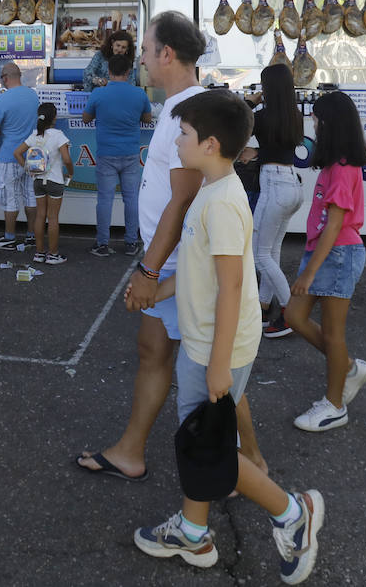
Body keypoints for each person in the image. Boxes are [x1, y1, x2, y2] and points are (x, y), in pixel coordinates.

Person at [132, 90, 324, 583]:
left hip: (216, 348)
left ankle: (291, 513)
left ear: (211, 144)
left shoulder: (221, 203)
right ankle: (194, 534)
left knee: (207, 446)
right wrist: (162, 290)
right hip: (206, 342)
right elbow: (206, 273)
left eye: (185, 134)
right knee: (202, 439)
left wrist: (218, 362)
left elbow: (234, 284)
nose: (176, 140)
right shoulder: (214, 192)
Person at [76, 12, 260, 482]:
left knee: (212, 373)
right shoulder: (182, 106)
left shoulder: (191, 113)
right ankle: (131, 450)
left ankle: (249, 467)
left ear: (166, 54)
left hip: (183, 264)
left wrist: (149, 270)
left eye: (145, 48)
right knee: (157, 352)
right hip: (177, 260)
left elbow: (181, 202)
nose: (139, 57)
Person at [282, 89, 366, 433]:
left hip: (337, 253)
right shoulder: (337, 165)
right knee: (294, 315)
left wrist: (309, 271)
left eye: (317, 119)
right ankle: (348, 367)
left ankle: (335, 405)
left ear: (329, 123)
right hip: (327, 251)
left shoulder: (344, 168)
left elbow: (335, 225)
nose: (314, 124)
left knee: (334, 335)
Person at [250, 64, 307, 339]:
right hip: (292, 182)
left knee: (259, 253)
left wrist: (250, 102)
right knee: (271, 251)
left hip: (273, 184)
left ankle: (290, 311)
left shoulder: (261, 116)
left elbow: (232, 120)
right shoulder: (296, 115)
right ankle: (262, 307)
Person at [82, 50, 152, 257]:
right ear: (129, 71)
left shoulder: (98, 94)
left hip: (106, 154)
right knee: (131, 199)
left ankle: (102, 243)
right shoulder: (139, 94)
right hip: (130, 153)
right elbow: (147, 119)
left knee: (104, 200)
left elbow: (86, 118)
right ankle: (131, 242)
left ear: (109, 71)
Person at [0, 61, 38, 252]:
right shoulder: (33, 96)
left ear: (5, 78)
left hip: (10, 154)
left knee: (10, 196)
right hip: (32, 153)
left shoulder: (1, 100)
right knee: (31, 195)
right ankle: (32, 235)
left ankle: (9, 238)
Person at [16, 102, 73, 265]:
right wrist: (71, 172)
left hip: (38, 180)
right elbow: (67, 159)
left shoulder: (35, 135)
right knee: (53, 217)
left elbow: (17, 153)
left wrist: (28, 169)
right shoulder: (58, 135)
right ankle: (53, 255)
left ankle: (39, 253)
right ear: (54, 117)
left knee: (40, 216)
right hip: (55, 180)